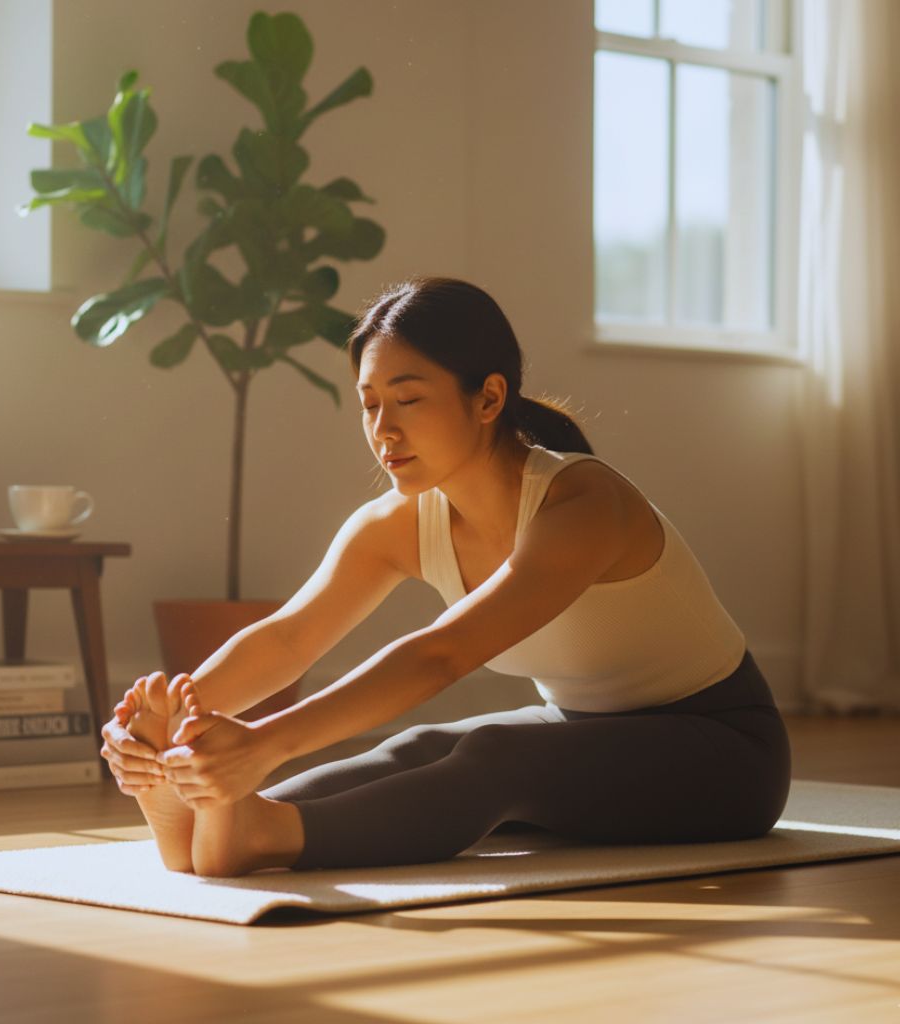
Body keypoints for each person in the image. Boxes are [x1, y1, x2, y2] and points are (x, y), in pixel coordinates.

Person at [99, 275, 792, 878]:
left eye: (409, 399)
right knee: (429, 747)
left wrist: (264, 744)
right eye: (370, 403)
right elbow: (287, 641)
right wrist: (176, 725)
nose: (383, 429)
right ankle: (211, 818)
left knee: (499, 754)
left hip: (723, 753)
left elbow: (442, 654)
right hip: (584, 731)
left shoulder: (583, 505)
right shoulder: (397, 523)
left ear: (488, 399)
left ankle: (261, 834)